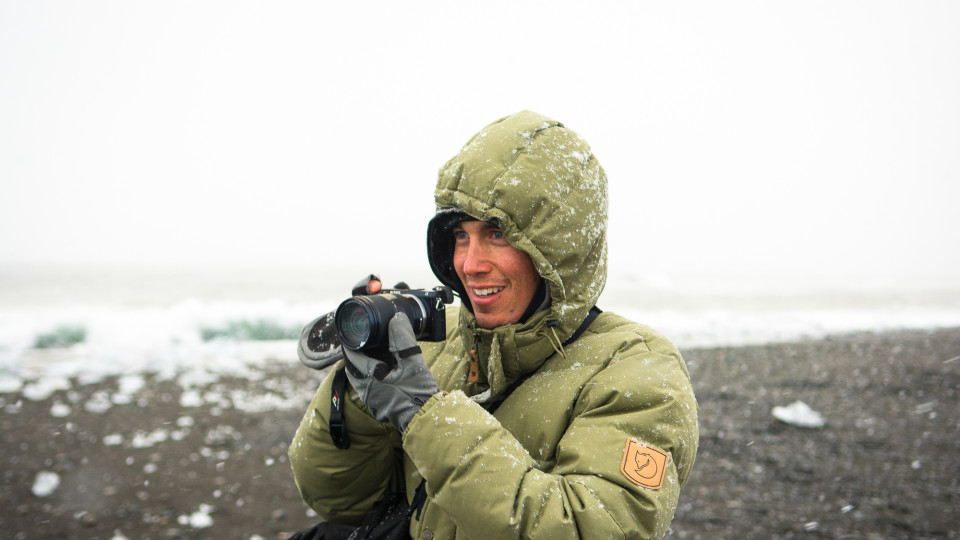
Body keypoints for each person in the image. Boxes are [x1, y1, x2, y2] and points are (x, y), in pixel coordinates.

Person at [289, 110, 699, 539]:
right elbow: (341, 499)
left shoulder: (639, 371)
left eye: (497, 234)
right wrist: (362, 390)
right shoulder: (441, 341)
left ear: (558, 251)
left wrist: (427, 416)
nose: (469, 264)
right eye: (460, 236)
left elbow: (592, 528)